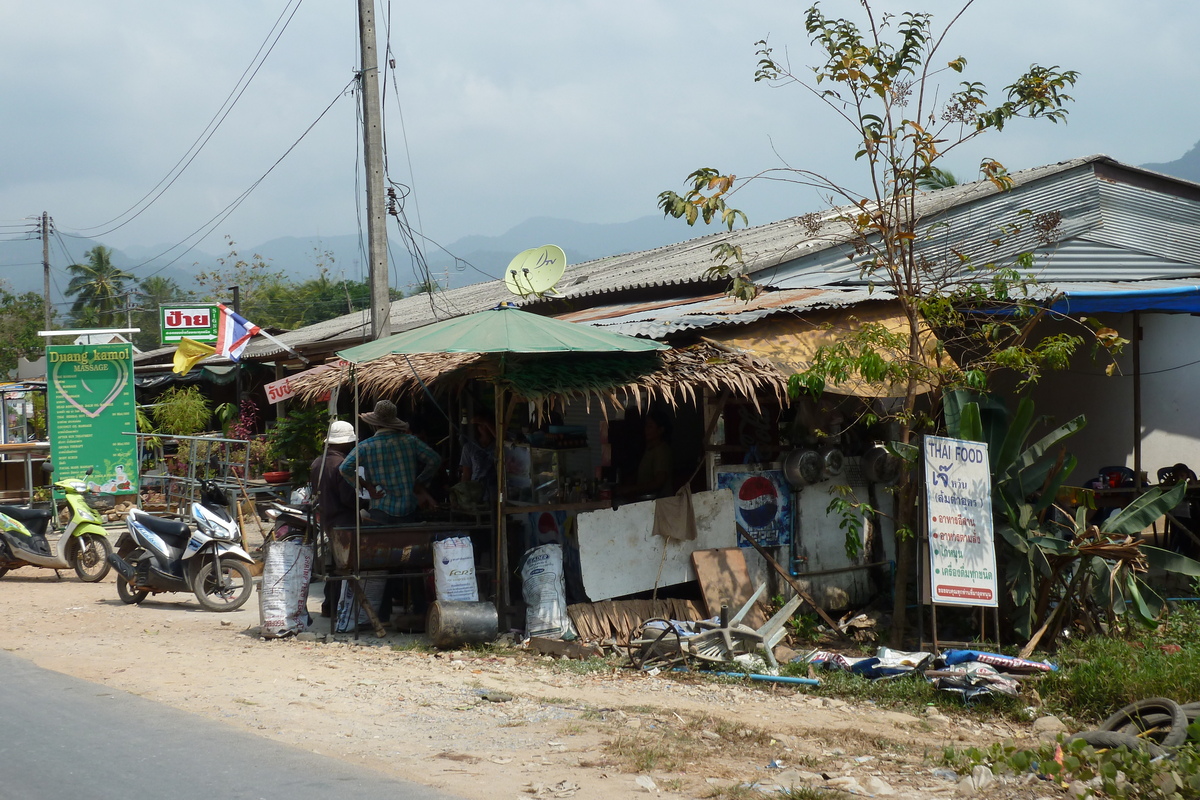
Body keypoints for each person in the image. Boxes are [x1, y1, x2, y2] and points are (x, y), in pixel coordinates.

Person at [339, 399, 442, 524]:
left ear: (375, 424)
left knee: (382, 543)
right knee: (407, 543)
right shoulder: (411, 441)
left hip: (380, 507)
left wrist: (367, 486)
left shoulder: (365, 446)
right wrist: (419, 482)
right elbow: (435, 460)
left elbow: (344, 468)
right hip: (408, 508)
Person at [308, 420, 361, 532]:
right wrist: (365, 504)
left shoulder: (317, 462)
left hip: (326, 522)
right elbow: (348, 499)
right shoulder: (341, 465)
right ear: (344, 444)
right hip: (345, 524)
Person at [623, 409, 674, 500]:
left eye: (650, 426)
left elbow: (658, 482)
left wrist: (631, 489)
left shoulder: (661, 450)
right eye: (646, 425)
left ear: (660, 430)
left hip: (659, 502)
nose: (646, 429)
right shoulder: (649, 448)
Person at [458, 413, 496, 502]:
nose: (485, 428)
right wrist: (463, 493)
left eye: (487, 425)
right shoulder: (469, 447)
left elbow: (503, 440)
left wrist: (487, 423)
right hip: (476, 490)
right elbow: (466, 474)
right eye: (481, 425)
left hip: (495, 490)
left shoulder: (499, 445)